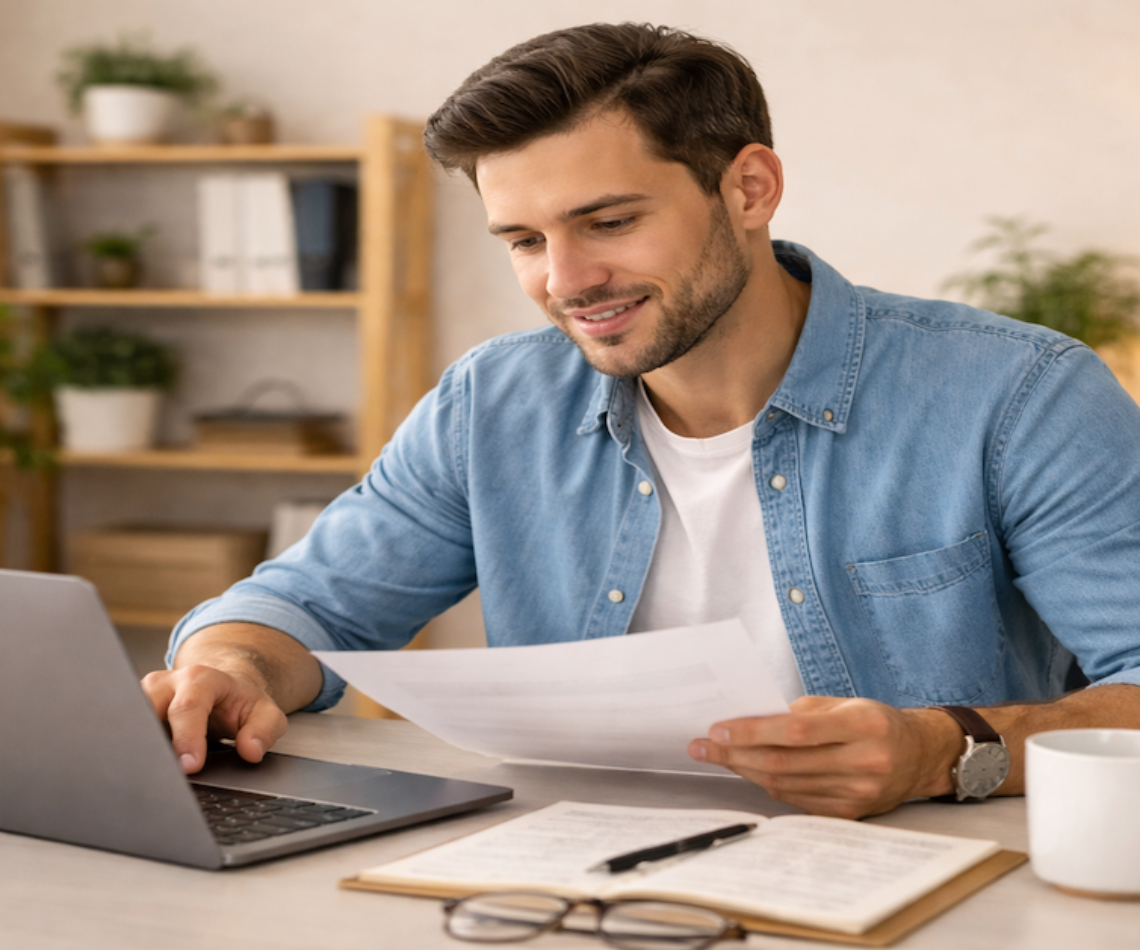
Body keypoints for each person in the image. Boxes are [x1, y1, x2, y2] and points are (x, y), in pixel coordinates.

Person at [145, 22, 1140, 819]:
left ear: (749, 188)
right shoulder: (492, 403)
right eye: (524, 240)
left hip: (919, 882)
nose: (565, 279)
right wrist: (229, 664)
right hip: (573, 877)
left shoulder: (1019, 394)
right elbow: (307, 605)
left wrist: (942, 748)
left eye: (610, 221)